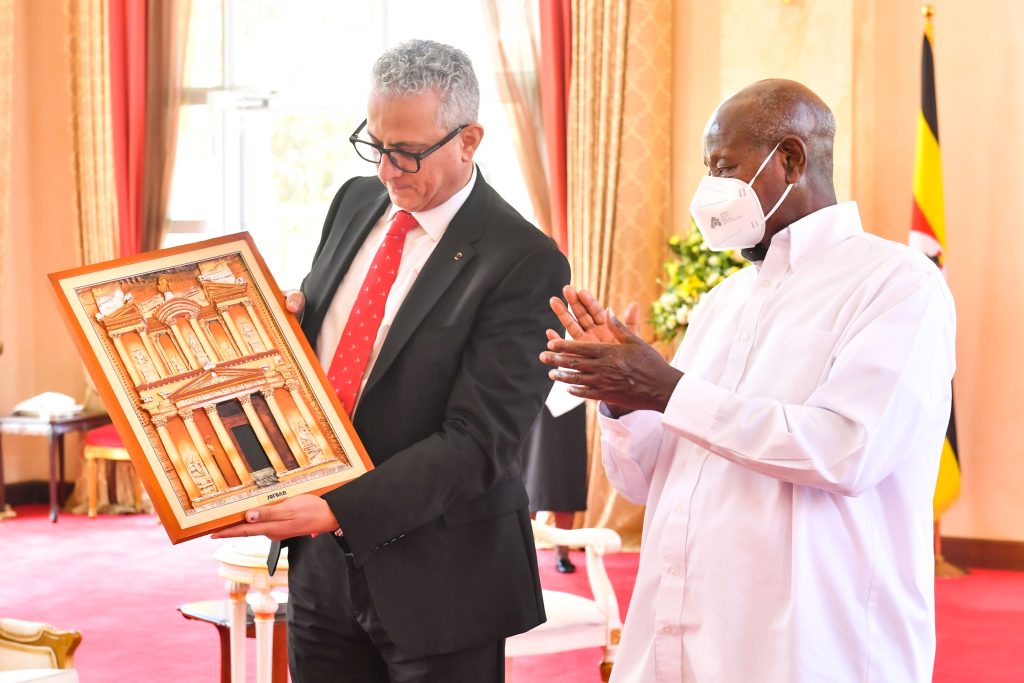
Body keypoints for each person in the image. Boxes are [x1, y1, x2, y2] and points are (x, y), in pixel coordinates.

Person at [540, 79, 956, 682]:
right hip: (682, 635)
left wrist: (666, 388)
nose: (708, 190)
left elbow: (848, 451)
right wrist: (622, 403)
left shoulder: (896, 282)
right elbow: (643, 483)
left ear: (789, 159)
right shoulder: (721, 303)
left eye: (723, 167)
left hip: (809, 645)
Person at [214, 39, 569, 682]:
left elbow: (479, 442)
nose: (386, 169)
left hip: (441, 575)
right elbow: (338, 352)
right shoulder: (353, 201)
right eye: (374, 143)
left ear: (469, 140)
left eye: (407, 151)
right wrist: (286, 329)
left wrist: (342, 508)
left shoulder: (524, 259)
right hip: (320, 564)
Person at [520, 381, 588, 573]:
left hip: (569, 394)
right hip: (529, 393)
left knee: (566, 472)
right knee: (528, 476)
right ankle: (523, 551)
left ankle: (563, 551)